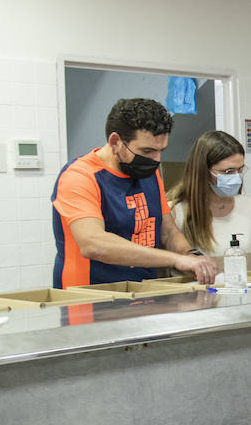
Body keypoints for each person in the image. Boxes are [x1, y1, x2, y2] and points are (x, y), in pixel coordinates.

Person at [52, 98, 218, 287]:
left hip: (141, 293)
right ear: (115, 142)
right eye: (147, 151)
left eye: (161, 150)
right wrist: (174, 259)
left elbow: (168, 232)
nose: (156, 159)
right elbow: (93, 244)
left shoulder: (149, 173)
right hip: (90, 299)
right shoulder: (79, 176)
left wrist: (190, 255)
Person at [168, 130, 251, 270]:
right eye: (228, 172)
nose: (237, 177)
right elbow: (166, 275)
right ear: (204, 172)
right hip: (198, 292)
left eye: (240, 170)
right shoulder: (175, 212)